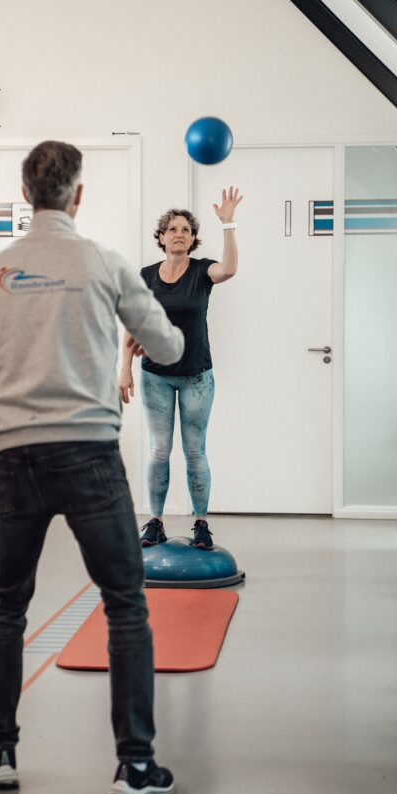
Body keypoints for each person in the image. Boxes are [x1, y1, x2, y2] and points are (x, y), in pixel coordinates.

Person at [0, 140, 184, 794]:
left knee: (5, 602)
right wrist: (142, 333)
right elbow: (167, 344)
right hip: (89, 454)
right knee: (125, 602)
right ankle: (134, 766)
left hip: (12, 456)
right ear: (77, 196)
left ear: (27, 196)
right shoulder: (104, 263)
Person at [119, 187, 242, 550]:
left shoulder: (203, 272)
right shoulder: (145, 276)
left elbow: (231, 268)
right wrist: (124, 368)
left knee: (194, 451)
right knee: (159, 450)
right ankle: (154, 522)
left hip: (196, 376)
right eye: (172, 229)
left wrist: (229, 224)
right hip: (155, 374)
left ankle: (201, 524)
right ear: (161, 237)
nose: (179, 234)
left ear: (192, 239)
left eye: (186, 230)